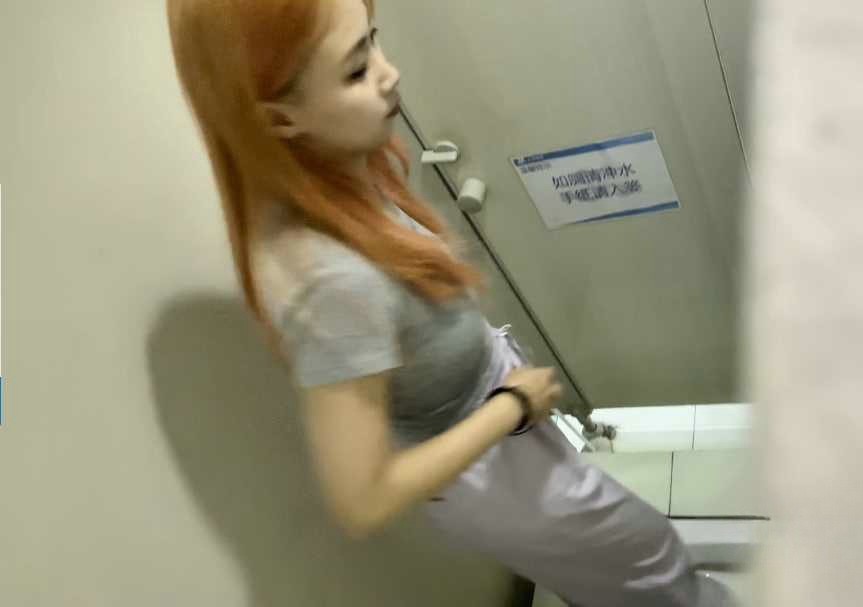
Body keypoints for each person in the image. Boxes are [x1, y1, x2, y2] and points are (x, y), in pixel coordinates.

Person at [167, 1, 728, 605]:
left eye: (373, 41)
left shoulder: (325, 174)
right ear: (278, 118)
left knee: (614, 568)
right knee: (648, 556)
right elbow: (363, 500)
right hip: (490, 462)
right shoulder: (328, 280)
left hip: (494, 433)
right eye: (356, 69)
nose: (390, 73)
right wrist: (512, 405)